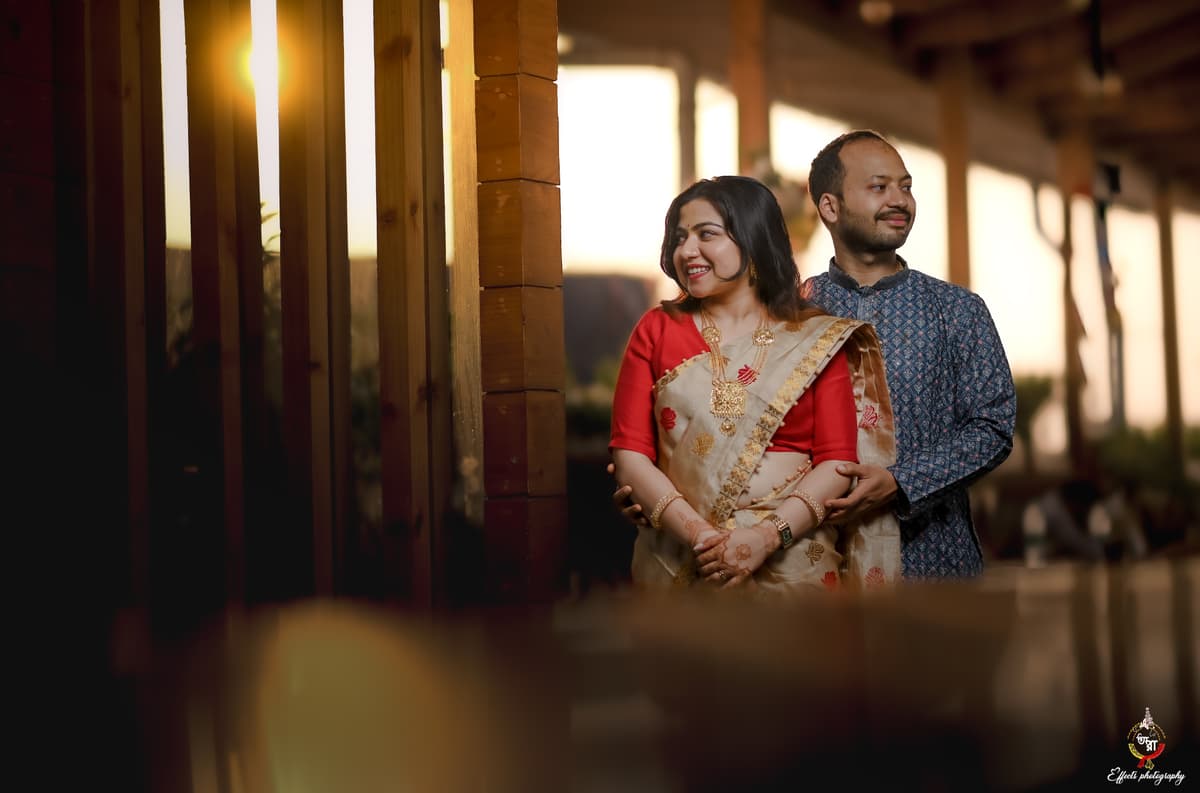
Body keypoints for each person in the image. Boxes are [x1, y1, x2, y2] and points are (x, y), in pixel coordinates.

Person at [609, 175, 899, 594]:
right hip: (679, 555)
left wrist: (766, 537)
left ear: (753, 239)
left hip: (793, 559)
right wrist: (701, 537)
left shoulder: (813, 338)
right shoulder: (657, 329)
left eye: (706, 234)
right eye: (679, 238)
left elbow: (836, 462)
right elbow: (630, 455)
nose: (686, 250)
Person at [802, 130, 1016, 578]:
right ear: (830, 207)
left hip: (934, 563)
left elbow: (993, 426)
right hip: (816, 564)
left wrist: (902, 482)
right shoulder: (794, 311)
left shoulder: (958, 310)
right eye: (879, 187)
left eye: (906, 186)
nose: (900, 200)